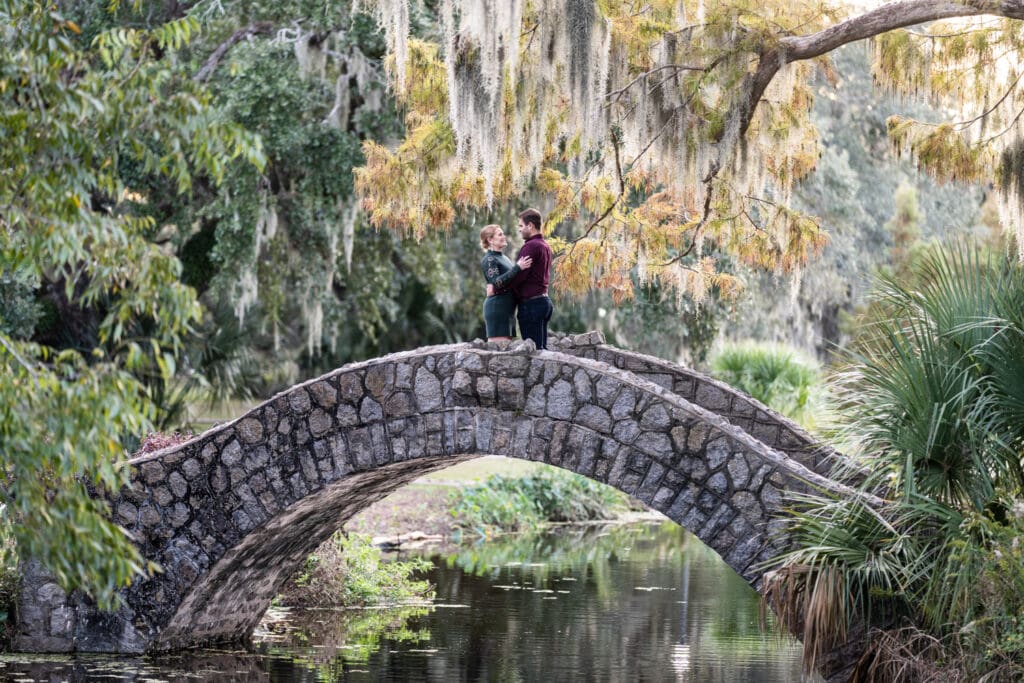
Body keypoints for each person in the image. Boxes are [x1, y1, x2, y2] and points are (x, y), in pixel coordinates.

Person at [508, 208, 553, 350]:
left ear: (530, 226)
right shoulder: (545, 246)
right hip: (544, 302)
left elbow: (519, 277)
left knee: (534, 353)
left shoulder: (531, 246)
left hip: (531, 305)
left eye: (521, 226)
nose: (519, 229)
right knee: (542, 351)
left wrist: (501, 286)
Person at [480, 224, 532, 341]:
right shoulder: (489, 259)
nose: (504, 236)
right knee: (498, 352)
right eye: (500, 234)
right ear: (490, 239)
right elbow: (497, 282)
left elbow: (512, 280)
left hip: (509, 309)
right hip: (497, 308)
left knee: (506, 351)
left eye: (503, 233)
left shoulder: (505, 258)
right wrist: (517, 267)